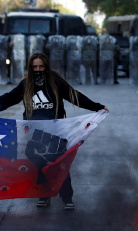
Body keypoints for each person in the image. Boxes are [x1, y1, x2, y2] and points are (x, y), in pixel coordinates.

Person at [0, 52, 109, 210]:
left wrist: (97, 106)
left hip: (55, 132)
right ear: (31, 68)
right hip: (34, 132)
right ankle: (44, 195)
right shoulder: (26, 84)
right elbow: (8, 99)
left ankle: (67, 197)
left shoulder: (55, 82)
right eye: (35, 67)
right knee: (39, 165)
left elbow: (75, 96)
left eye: (41, 66)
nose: (38, 70)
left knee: (59, 164)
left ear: (46, 66)